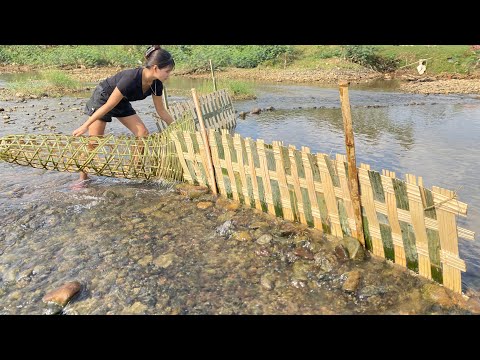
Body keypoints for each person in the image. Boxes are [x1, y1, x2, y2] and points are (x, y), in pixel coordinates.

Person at [72, 45, 175, 183]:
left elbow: (161, 111)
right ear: (156, 68)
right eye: (167, 71)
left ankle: (134, 170)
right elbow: (109, 105)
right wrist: (85, 125)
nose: (169, 75)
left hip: (122, 101)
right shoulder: (130, 79)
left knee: (143, 134)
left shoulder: (157, 84)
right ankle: (82, 180)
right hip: (103, 99)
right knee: (94, 142)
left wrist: (176, 126)